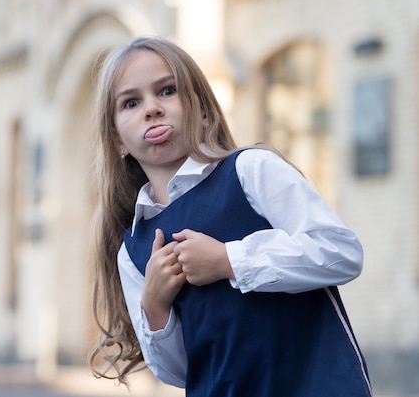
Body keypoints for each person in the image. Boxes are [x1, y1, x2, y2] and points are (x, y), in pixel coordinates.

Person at [88, 36, 372, 397]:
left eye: (167, 91)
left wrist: (229, 261)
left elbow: (341, 253)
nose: (152, 108)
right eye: (131, 102)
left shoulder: (250, 170)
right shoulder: (133, 250)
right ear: (118, 141)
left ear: (204, 112)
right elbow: (180, 372)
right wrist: (155, 307)